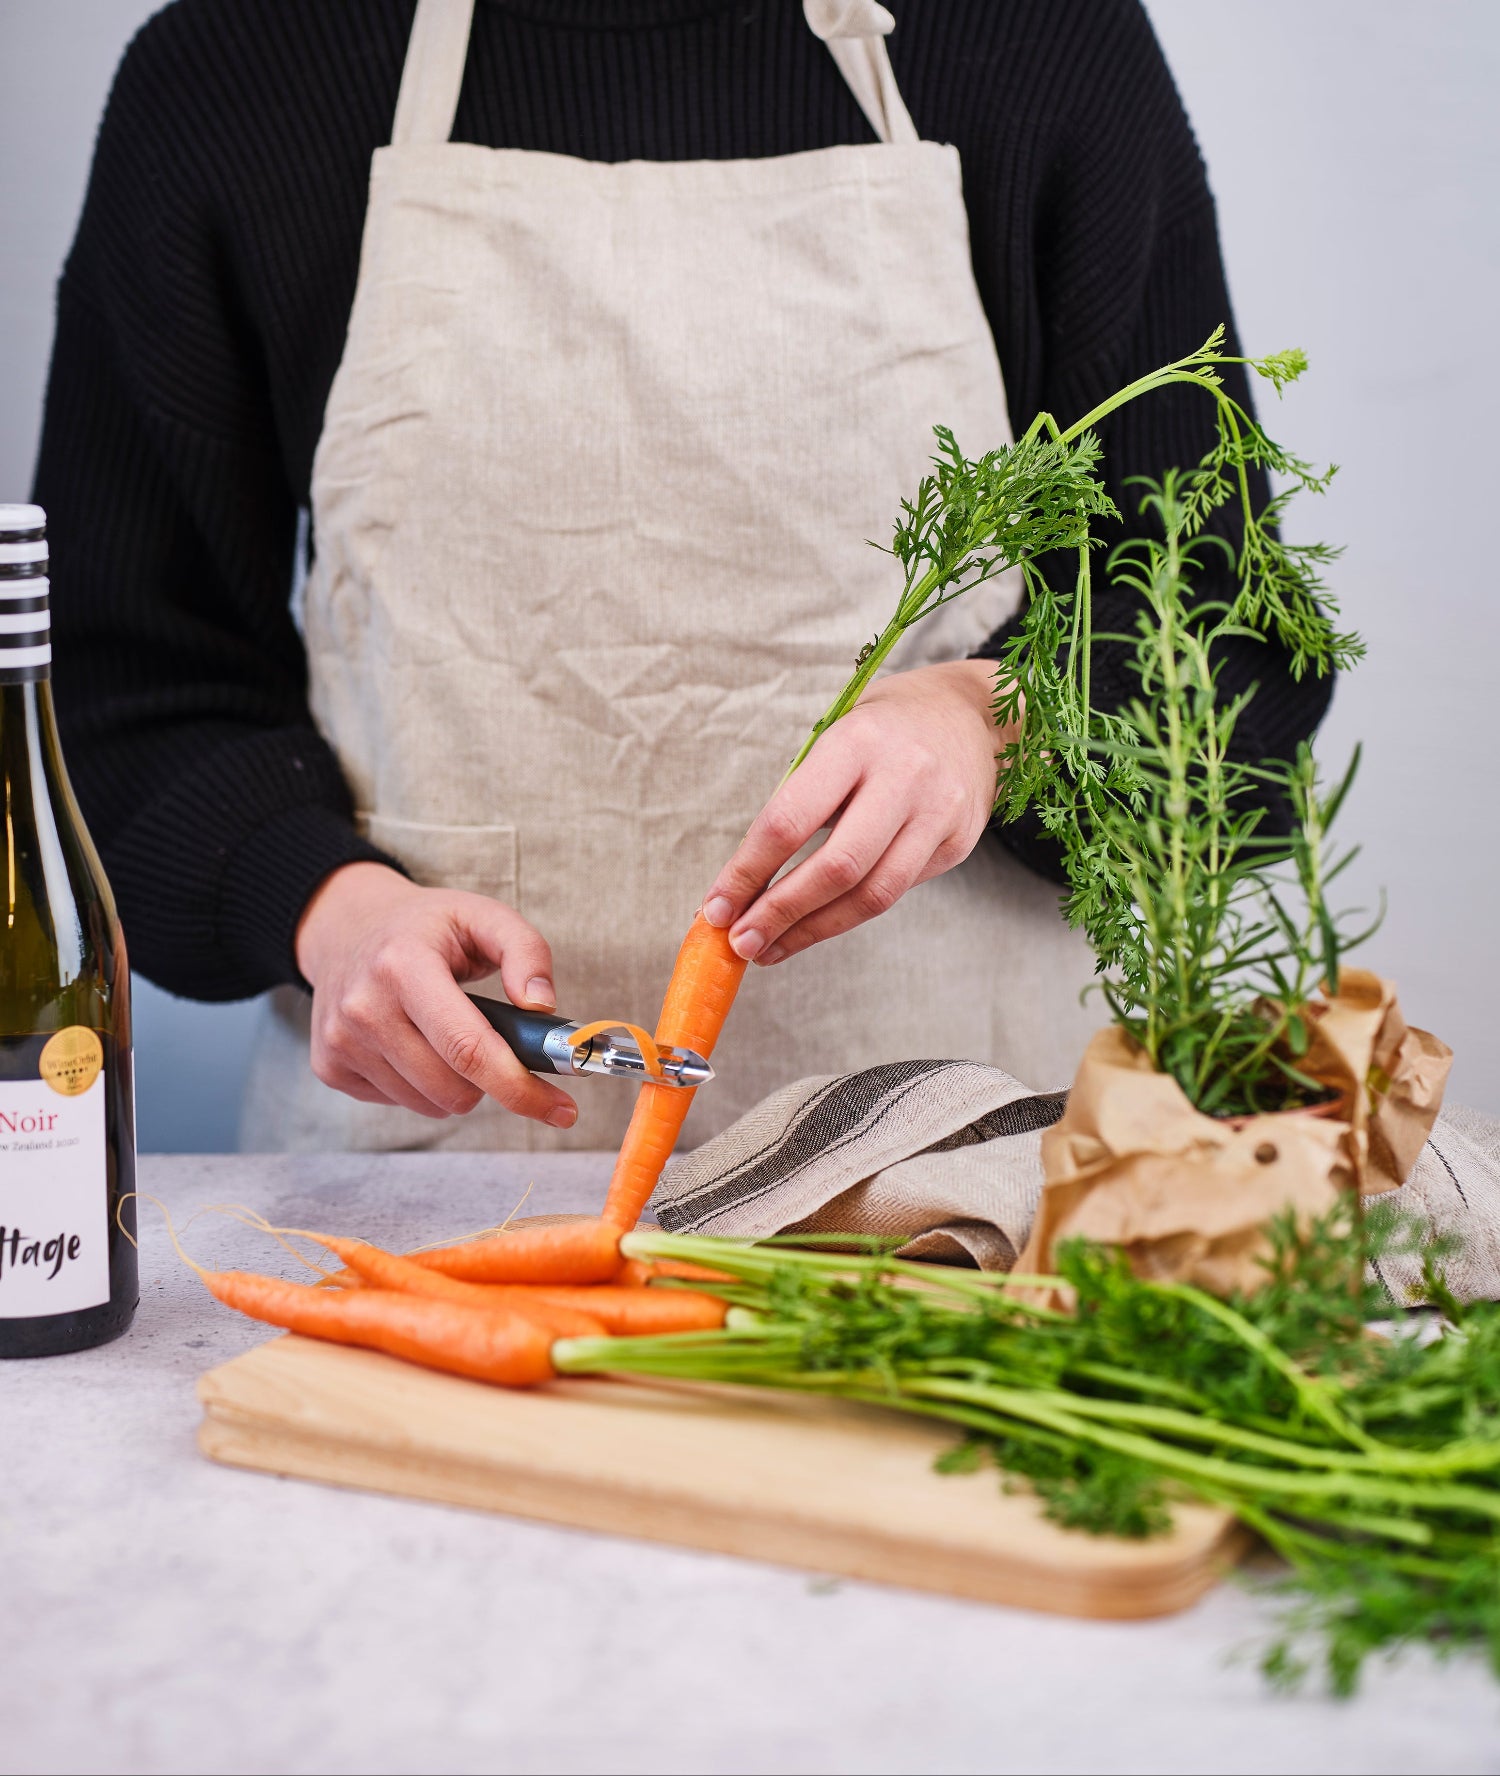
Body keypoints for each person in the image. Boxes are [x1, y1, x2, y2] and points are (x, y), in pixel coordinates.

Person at [34, 0, 1330, 1153]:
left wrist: (996, 718)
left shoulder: (1034, 38)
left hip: (954, 1204)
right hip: (441, 1196)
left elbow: (1232, 649)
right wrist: (323, 903)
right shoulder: (236, 73)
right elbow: (115, 695)